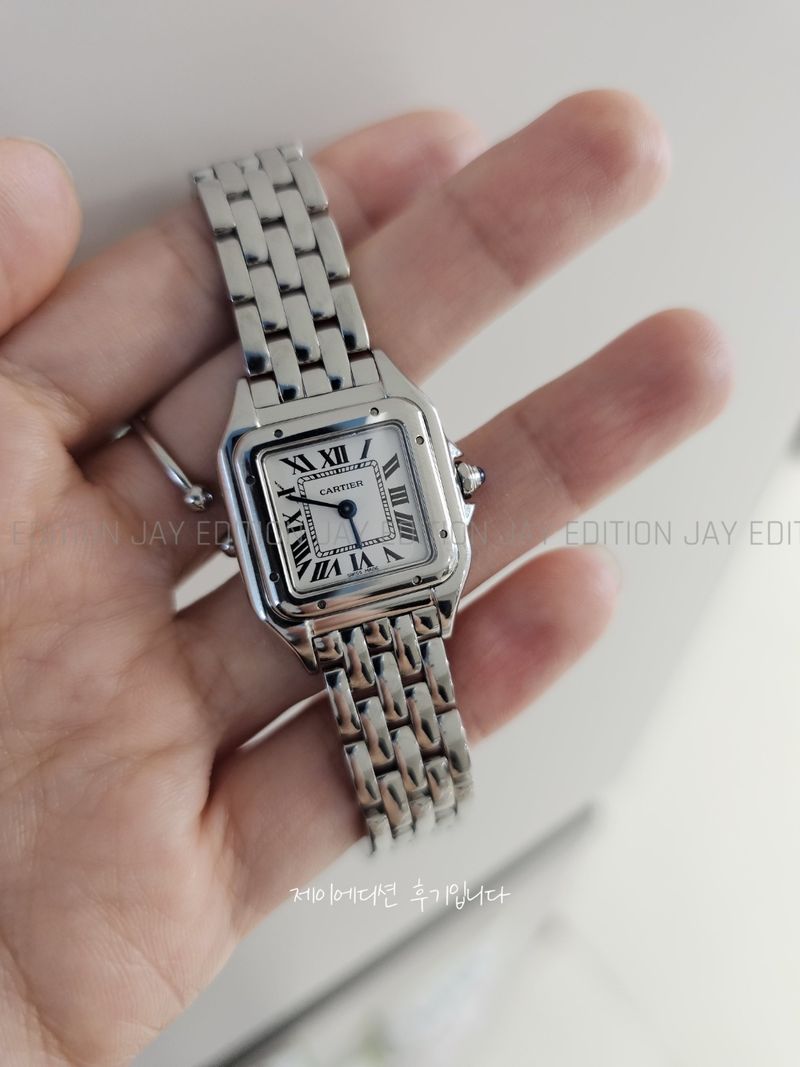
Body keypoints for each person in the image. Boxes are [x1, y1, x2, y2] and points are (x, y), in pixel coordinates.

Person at [0, 91, 731, 1066]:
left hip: (378, 587)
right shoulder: (279, 500)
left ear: (448, 478)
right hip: (344, 598)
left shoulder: (373, 462)